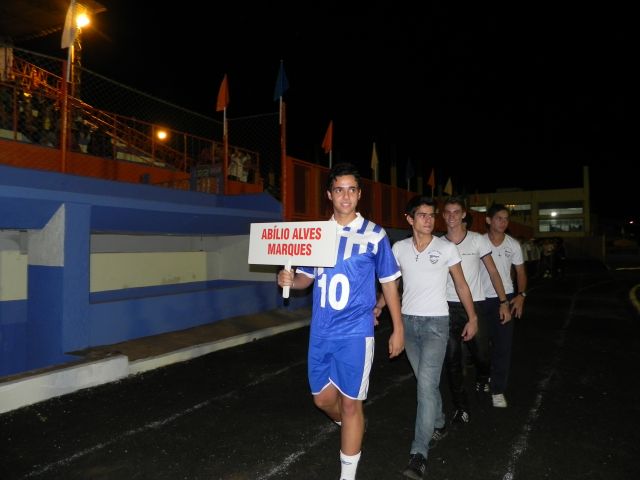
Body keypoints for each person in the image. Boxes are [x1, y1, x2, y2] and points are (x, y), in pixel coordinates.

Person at [277, 162, 404, 480]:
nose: (345, 196)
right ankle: (349, 423)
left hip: (356, 331)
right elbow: (305, 279)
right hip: (321, 330)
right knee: (322, 399)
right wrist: (289, 280)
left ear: (359, 194)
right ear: (329, 195)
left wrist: (398, 328)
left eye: (351, 190)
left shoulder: (375, 235)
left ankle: (347, 473)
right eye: (338, 190)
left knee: (350, 404)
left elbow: (389, 283)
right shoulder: (316, 235)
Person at [376, 195, 477, 480]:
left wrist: (473, 317)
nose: (429, 220)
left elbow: (461, 285)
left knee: (425, 386)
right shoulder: (399, 248)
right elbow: (392, 283)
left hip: (436, 325)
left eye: (432, 215)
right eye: (422, 215)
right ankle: (440, 420)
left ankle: (419, 453)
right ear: (409, 219)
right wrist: (379, 306)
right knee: (425, 381)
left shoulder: (446, 248)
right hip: (408, 324)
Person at [441, 196, 511, 424]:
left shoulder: (477, 240)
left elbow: (493, 271)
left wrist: (503, 301)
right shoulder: (438, 244)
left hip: (475, 304)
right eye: (448, 212)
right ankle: (461, 407)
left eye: (456, 212)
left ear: (463, 215)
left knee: (482, 355)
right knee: (452, 359)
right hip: (447, 307)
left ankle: (483, 376)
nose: (452, 216)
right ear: (443, 216)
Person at [479, 203, 527, 408]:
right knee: (480, 347)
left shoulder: (513, 244)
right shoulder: (478, 242)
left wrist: (521, 295)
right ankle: (484, 376)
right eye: (499, 218)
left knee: (503, 345)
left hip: (504, 299)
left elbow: (521, 272)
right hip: (480, 298)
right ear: (488, 220)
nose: (503, 222)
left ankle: (497, 389)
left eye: (506, 219)